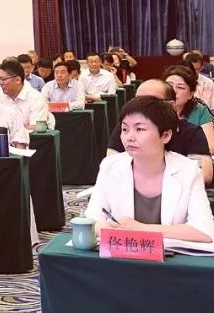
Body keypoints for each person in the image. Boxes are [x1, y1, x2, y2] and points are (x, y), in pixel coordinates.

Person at [84, 96, 214, 242]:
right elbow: (91, 222)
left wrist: (140, 228)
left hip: (170, 256)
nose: (129, 137)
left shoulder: (188, 170)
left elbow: (205, 231)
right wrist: (113, 229)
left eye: (139, 129)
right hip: (123, 253)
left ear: (165, 135)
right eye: (125, 129)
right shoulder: (110, 166)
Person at [107, 80, 212, 184]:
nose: (139, 107)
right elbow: (111, 168)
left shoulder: (191, 132)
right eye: (137, 100)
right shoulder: (125, 129)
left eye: (150, 102)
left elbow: (202, 174)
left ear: (171, 105)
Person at [162, 65, 214, 155]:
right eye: (169, 85)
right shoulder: (152, 109)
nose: (173, 91)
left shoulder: (199, 110)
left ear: (191, 94)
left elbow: (210, 147)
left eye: (180, 87)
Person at [0, 60, 54, 130]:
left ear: (17, 80)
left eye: (3, 79)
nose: (0, 83)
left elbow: (35, 129)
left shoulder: (36, 98)